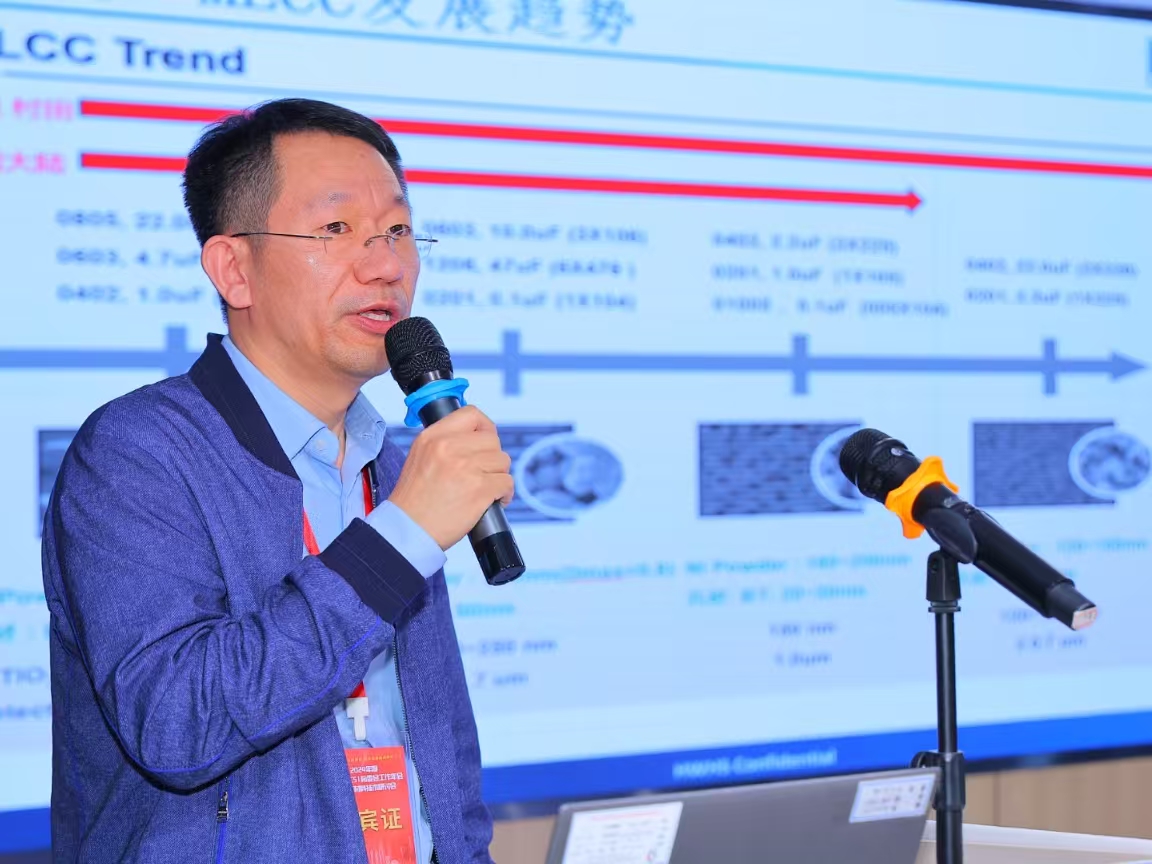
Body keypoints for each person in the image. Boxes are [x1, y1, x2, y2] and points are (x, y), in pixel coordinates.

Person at [41, 98, 511, 863]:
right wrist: (401, 537)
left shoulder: (391, 464)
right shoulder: (135, 454)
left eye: (397, 230)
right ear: (235, 269)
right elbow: (177, 724)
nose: (386, 265)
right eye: (337, 229)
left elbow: (440, 744)